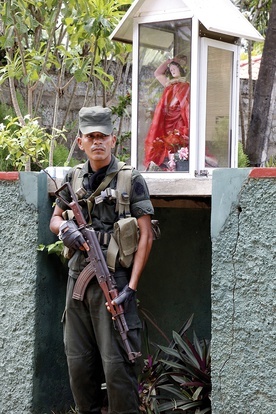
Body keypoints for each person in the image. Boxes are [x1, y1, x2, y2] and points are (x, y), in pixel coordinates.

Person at [49, 106, 154, 414]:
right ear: (80, 141)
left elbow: (146, 236)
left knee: (117, 369)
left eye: (103, 136)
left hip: (114, 283)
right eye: (90, 136)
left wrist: (131, 288)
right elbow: (55, 219)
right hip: (77, 283)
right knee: (79, 366)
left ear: (114, 139)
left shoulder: (130, 180)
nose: (97, 142)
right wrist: (65, 229)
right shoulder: (73, 178)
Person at [144, 56, 190, 170]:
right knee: (166, 143)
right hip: (167, 119)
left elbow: (186, 105)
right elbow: (157, 73)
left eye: (175, 69)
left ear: (181, 70)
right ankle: (169, 165)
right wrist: (168, 62)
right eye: (171, 70)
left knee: (178, 141)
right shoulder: (169, 84)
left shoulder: (186, 85)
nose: (173, 71)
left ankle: (177, 164)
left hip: (179, 119)